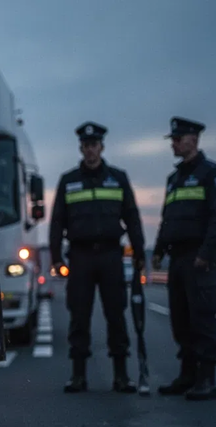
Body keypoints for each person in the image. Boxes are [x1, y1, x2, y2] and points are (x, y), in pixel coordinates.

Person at [49, 122, 145, 393]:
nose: (90, 150)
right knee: (79, 316)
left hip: (111, 255)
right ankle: (78, 375)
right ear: (81, 148)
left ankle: (121, 375)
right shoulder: (69, 181)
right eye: (86, 146)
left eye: (95, 145)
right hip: (80, 257)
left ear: (101, 147)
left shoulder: (118, 177)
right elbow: (57, 222)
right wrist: (56, 258)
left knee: (116, 315)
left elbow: (132, 217)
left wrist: (139, 252)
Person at [151, 117, 216, 400]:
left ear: (193, 140)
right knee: (181, 319)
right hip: (178, 259)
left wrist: (206, 253)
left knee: (202, 318)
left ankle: (206, 379)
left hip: (200, 258)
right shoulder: (174, 179)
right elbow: (168, 219)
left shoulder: (212, 174)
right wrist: (160, 250)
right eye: (172, 139)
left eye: (177, 139)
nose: (173, 143)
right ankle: (187, 375)